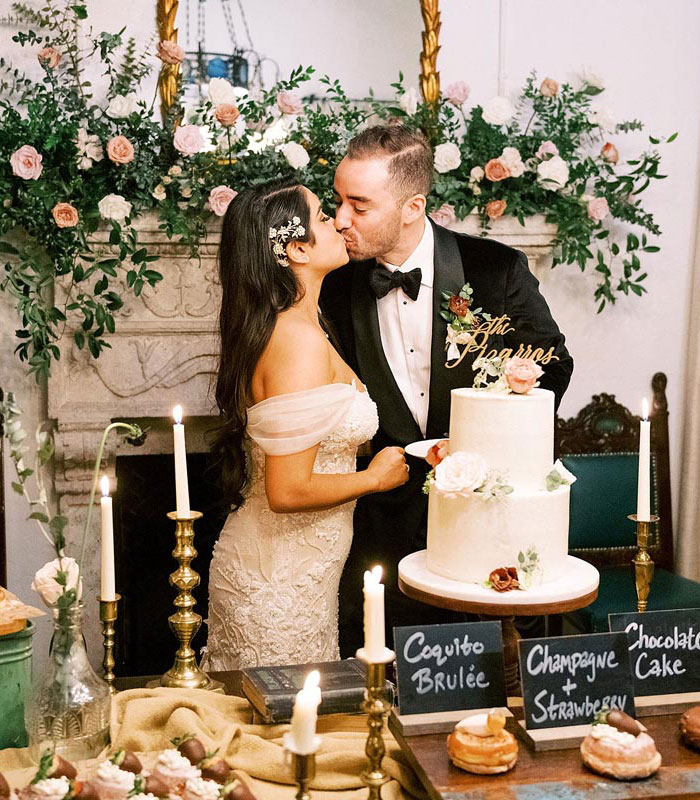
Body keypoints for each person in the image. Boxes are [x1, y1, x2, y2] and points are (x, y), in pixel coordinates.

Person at [320, 124, 574, 655]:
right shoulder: (333, 282)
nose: (341, 219)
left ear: (413, 206)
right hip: (377, 532)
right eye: (338, 200)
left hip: (482, 525)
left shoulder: (494, 270)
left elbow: (551, 364)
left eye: (359, 205)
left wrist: (501, 413)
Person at [203, 178, 408, 670]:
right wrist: (374, 479)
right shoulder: (296, 342)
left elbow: (315, 444)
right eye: (322, 216)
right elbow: (286, 489)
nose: (339, 221)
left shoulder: (306, 324)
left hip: (301, 576)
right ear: (296, 249)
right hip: (274, 584)